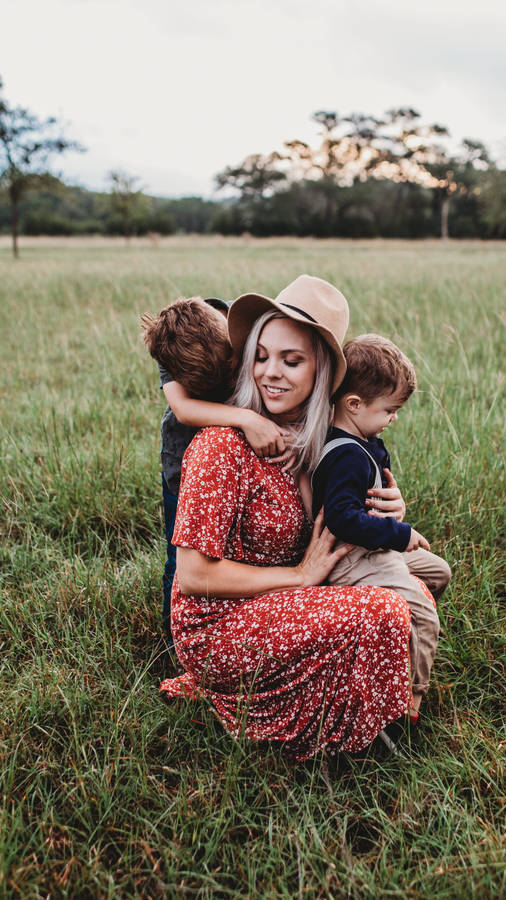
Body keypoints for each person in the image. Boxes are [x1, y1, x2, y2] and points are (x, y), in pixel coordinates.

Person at [160, 275, 423, 760]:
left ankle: (343, 700)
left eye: (291, 360)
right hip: (221, 626)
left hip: (285, 602)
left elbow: (348, 515)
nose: (270, 373)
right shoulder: (222, 444)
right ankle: (324, 729)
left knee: (414, 588)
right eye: (261, 356)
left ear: (321, 371)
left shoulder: (315, 441)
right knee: (385, 611)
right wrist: (300, 577)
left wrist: (390, 506)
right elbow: (194, 576)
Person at [311, 334, 451, 722]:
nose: (394, 417)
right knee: (424, 611)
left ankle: (395, 643)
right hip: (352, 558)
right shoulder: (344, 457)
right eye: (390, 409)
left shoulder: (363, 438)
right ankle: (409, 700)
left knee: (439, 571)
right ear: (354, 404)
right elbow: (342, 519)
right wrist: (400, 535)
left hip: (372, 549)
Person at [142, 297, 290, 635]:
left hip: (241, 460)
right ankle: (175, 636)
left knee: (236, 545)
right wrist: (245, 419)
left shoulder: (233, 325)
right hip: (183, 460)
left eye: (231, 363)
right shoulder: (172, 344)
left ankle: (236, 614)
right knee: (180, 554)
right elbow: (182, 408)